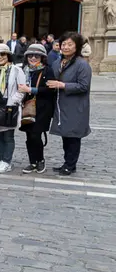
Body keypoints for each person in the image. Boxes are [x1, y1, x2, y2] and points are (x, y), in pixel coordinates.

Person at [48, 31, 91, 176]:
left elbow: (84, 86)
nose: (66, 47)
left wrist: (63, 85)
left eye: (70, 44)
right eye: (63, 44)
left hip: (76, 106)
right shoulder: (57, 62)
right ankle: (67, 163)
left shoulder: (82, 64)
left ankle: (70, 165)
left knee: (73, 136)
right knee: (65, 135)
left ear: (77, 46)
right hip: (61, 105)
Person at [0, 43, 26, 173]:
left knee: (8, 136)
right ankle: (1, 158)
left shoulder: (16, 70)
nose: (0, 57)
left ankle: (7, 161)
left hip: (9, 108)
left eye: (3, 54)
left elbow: (22, 89)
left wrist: (12, 101)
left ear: (8, 55)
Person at [18, 44, 55, 174]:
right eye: (30, 55)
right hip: (27, 106)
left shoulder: (47, 71)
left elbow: (50, 90)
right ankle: (32, 161)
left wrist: (31, 89)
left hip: (42, 108)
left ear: (42, 57)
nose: (33, 58)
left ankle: (40, 160)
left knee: (35, 135)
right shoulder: (23, 70)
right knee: (29, 135)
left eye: (37, 56)